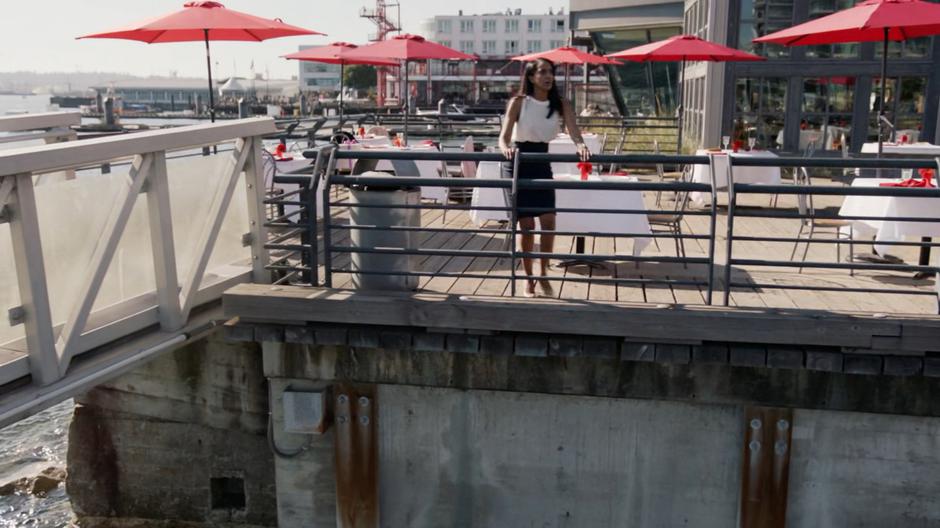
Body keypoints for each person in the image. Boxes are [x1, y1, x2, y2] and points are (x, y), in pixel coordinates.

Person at [498, 58, 591, 298]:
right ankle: (528, 280)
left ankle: (543, 275)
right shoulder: (518, 103)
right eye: (542, 72)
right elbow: (503, 137)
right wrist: (505, 148)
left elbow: (575, 132)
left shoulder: (561, 104)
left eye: (551, 72)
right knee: (527, 227)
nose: (548, 76)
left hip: (541, 162)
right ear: (531, 77)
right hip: (518, 162)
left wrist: (581, 146)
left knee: (549, 221)